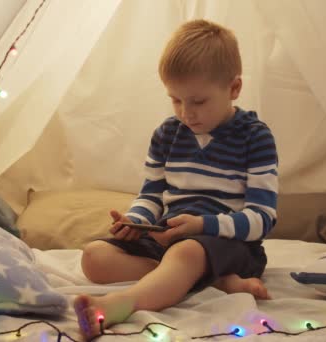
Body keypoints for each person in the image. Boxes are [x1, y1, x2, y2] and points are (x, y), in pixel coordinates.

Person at [74, 19, 278, 339]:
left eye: (198, 101)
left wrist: (201, 225)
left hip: (229, 244)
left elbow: (262, 219)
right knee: (94, 257)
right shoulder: (168, 134)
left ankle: (122, 303)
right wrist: (136, 221)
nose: (186, 113)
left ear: (234, 88)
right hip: (170, 237)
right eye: (175, 99)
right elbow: (152, 195)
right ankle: (216, 282)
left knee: (185, 254)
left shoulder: (255, 137)